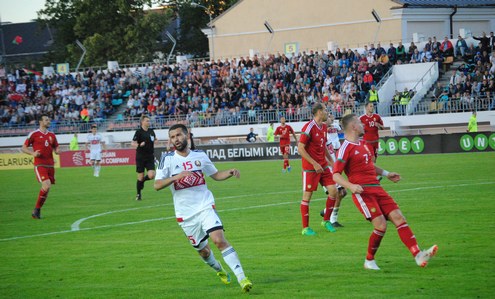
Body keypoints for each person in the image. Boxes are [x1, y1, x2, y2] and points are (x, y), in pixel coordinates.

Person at [154, 124, 253, 293]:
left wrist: (228, 172)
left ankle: (242, 278)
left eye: (178, 135)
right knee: (204, 252)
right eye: (172, 137)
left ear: (187, 136)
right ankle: (219, 269)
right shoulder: (168, 159)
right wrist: (177, 177)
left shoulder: (200, 155)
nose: (175, 139)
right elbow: (157, 185)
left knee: (218, 240)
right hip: (185, 215)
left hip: (205, 206)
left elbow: (215, 175)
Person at [333, 114, 438, 270]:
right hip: (363, 192)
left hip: (377, 188)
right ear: (353, 127)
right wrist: (351, 186)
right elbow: (335, 174)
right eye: (360, 123)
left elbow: (369, 166)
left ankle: (418, 255)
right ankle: (369, 261)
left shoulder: (363, 144)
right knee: (381, 225)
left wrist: (386, 174)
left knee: (399, 217)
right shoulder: (345, 148)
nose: (363, 125)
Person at [298, 103, 338, 236]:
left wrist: (331, 161)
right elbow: (300, 148)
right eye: (325, 110)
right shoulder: (309, 127)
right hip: (311, 168)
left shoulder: (324, 127)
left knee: (333, 191)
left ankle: (326, 221)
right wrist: (314, 163)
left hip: (323, 166)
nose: (327, 112)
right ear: (319, 112)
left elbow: (323, 146)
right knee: (307, 197)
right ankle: (305, 228)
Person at [21, 114, 60, 219]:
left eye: (49, 119)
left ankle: (37, 211)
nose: (49, 121)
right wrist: (32, 153)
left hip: (50, 165)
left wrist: (57, 150)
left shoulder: (52, 135)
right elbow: (23, 148)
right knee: (46, 185)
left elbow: (56, 146)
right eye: (46, 120)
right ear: (40, 122)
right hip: (40, 164)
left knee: (47, 188)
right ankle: (36, 210)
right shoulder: (34, 134)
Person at [320, 114, 347, 227]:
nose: (330, 117)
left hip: (333, 167)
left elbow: (331, 150)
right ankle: (331, 219)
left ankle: (327, 211)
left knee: (342, 192)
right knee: (338, 192)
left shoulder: (326, 132)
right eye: (328, 116)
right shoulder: (319, 133)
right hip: (326, 169)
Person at [132, 115, 157, 200]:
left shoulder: (151, 131)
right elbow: (132, 143)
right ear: (142, 122)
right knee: (140, 176)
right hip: (140, 157)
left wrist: (156, 141)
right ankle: (138, 194)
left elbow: (155, 139)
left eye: (149, 121)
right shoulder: (139, 132)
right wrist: (139, 144)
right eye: (147, 121)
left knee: (151, 175)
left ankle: (143, 181)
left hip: (150, 156)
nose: (148, 122)